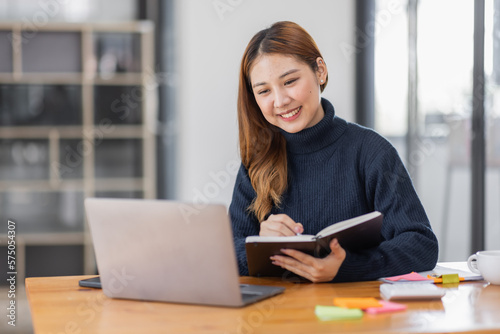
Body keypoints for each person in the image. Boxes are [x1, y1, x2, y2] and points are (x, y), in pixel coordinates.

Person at [229, 21, 439, 283]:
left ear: (320, 71)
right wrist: (258, 244)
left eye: (290, 81)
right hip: (280, 315)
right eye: (264, 91)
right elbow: (226, 253)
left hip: (355, 315)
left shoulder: (371, 152)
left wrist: (345, 267)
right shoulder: (257, 161)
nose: (280, 101)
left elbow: (421, 245)